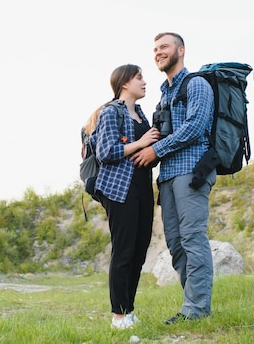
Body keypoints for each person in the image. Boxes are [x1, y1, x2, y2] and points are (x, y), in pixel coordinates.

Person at [131, 32, 216, 324]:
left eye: (164, 47)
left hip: (191, 172)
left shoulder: (197, 84)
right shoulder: (164, 93)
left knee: (193, 239)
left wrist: (156, 150)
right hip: (167, 177)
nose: (158, 52)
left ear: (181, 50)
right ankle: (192, 305)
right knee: (176, 245)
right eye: (155, 49)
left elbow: (195, 127)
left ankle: (196, 310)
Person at [89, 63, 160, 330]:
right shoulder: (110, 112)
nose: (144, 82)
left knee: (139, 252)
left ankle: (128, 311)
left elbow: (147, 156)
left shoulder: (141, 115)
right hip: (119, 189)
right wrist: (141, 143)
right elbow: (105, 152)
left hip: (143, 187)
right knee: (124, 252)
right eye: (139, 77)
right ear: (124, 83)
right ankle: (118, 316)